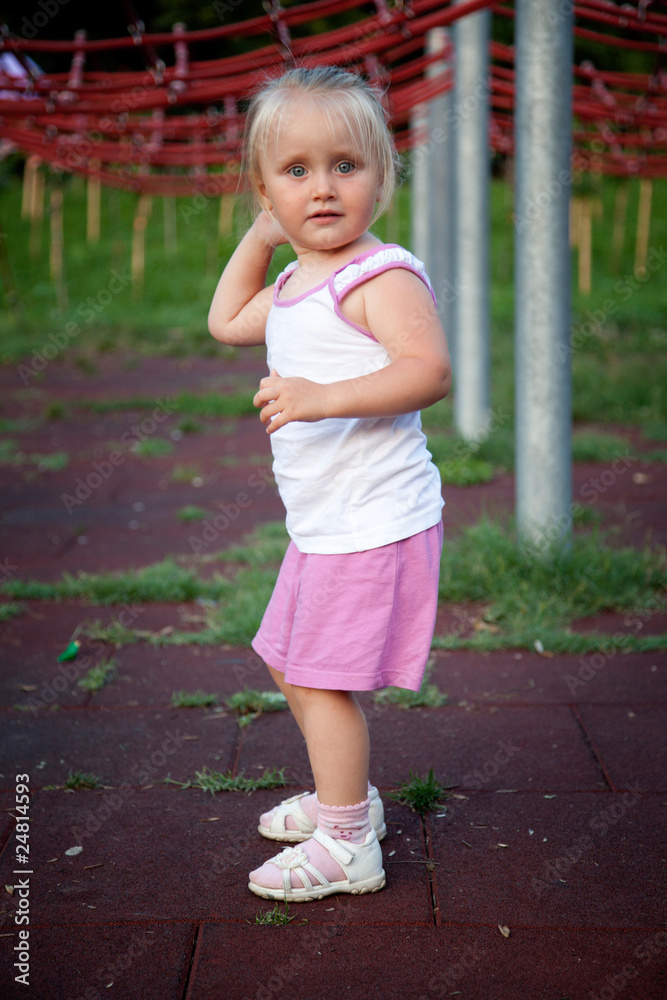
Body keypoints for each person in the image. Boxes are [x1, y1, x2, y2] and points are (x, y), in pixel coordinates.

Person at [208, 65, 451, 902]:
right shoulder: (294, 279)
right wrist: (262, 237)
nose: (321, 187)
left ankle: (347, 844)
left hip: (374, 519)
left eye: (345, 166)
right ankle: (346, 796)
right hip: (323, 523)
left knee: (318, 677)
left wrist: (322, 397)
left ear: (381, 179)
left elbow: (428, 370)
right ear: (264, 190)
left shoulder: (377, 276)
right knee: (287, 661)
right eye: (295, 171)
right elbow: (225, 321)